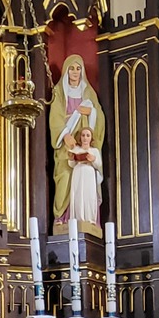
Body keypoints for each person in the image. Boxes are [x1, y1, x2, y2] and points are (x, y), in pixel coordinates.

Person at [48, 54, 100, 226]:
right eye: (72, 68)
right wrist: (64, 134)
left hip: (84, 142)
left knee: (84, 180)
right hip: (66, 144)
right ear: (66, 71)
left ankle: (83, 217)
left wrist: (91, 112)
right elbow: (55, 117)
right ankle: (61, 217)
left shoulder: (88, 92)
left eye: (78, 68)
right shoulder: (59, 92)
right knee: (64, 177)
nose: (75, 72)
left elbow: (99, 118)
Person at [65, 125, 103, 228]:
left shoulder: (94, 151)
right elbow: (71, 165)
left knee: (89, 196)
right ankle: (78, 219)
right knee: (77, 195)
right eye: (83, 135)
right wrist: (71, 158)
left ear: (91, 138)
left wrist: (93, 159)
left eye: (87, 135)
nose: (85, 138)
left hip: (89, 174)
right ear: (80, 137)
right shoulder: (76, 149)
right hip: (78, 173)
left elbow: (99, 164)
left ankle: (89, 218)